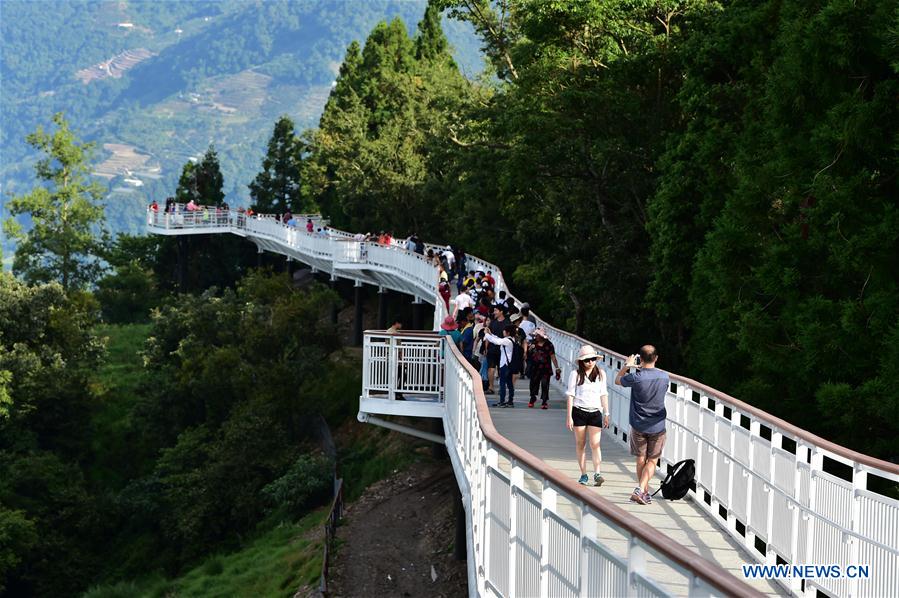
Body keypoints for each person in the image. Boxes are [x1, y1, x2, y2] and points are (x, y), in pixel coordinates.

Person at [615, 345, 669, 505]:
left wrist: (627, 365)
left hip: (638, 424)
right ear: (656, 358)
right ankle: (641, 490)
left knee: (640, 459)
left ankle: (642, 491)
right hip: (657, 426)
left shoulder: (636, 377)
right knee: (652, 461)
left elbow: (618, 380)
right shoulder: (664, 377)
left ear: (640, 358)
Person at [566, 345, 610, 486]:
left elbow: (604, 394)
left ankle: (597, 473)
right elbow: (570, 395)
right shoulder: (575, 374)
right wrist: (569, 416)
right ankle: (583, 474)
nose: (590, 362)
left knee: (595, 444)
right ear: (581, 361)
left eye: (593, 359)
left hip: (595, 411)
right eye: (587, 360)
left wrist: (606, 412)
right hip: (579, 411)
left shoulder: (601, 374)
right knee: (581, 444)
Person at [484, 324, 517, 407]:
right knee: (509, 383)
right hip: (509, 365)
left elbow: (497, 341)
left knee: (502, 383)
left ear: (507, 332)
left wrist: (486, 334)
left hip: (505, 365)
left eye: (504, 331)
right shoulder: (511, 340)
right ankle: (510, 401)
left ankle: (502, 401)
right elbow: (498, 339)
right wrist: (491, 334)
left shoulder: (507, 341)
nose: (503, 332)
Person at [528, 328, 561, 408]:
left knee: (545, 384)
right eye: (535, 335)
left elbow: (553, 356)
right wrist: (529, 349)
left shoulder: (549, 345)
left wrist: (557, 368)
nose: (536, 336)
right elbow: (528, 355)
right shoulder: (533, 343)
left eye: (537, 335)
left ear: (541, 336)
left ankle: (544, 401)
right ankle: (533, 398)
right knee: (533, 384)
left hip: (545, 368)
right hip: (534, 368)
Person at [485, 306, 507, 394]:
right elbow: (488, 335)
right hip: (493, 349)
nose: (494, 312)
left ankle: (494, 388)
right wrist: (486, 348)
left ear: (501, 311)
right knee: (492, 368)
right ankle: (493, 387)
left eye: (496, 311)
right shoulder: (494, 322)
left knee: (499, 369)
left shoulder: (505, 323)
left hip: (502, 349)